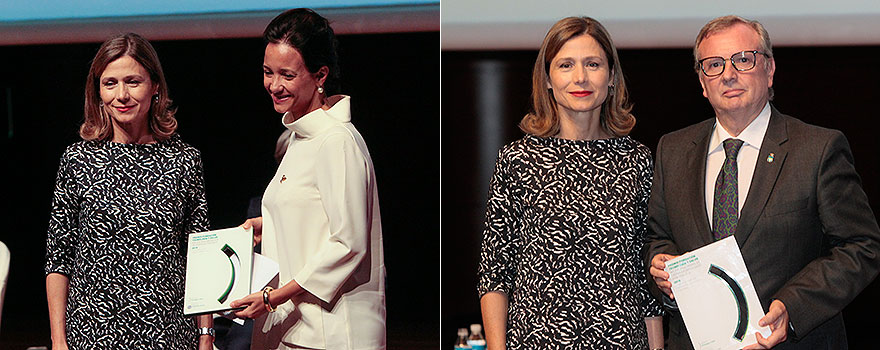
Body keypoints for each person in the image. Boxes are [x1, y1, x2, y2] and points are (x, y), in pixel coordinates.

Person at [645, 15, 880, 349]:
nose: (728, 75)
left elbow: (862, 246)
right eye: (713, 65)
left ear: (769, 70)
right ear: (702, 82)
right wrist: (662, 267)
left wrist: (793, 307)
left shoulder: (817, 149)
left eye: (743, 59)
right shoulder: (673, 149)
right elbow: (659, 238)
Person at [478, 16, 664, 350]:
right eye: (566, 65)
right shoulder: (517, 160)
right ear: (547, 79)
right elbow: (495, 270)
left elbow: (644, 275)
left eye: (593, 64)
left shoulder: (637, 160)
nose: (580, 77)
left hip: (620, 341)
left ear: (611, 78)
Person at [228, 8, 386, 350]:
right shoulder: (300, 137)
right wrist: (267, 225)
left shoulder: (336, 140)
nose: (274, 85)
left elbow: (347, 243)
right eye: (268, 72)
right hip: (296, 329)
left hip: (331, 334)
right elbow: (315, 218)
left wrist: (272, 298)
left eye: (287, 74)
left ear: (320, 75)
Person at [44, 33, 214, 349]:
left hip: (167, 332)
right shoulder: (78, 159)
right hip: (92, 332)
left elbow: (200, 255)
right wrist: (58, 340)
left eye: (132, 82)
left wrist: (206, 335)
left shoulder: (184, 161)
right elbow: (58, 258)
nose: (121, 95)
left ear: (155, 87)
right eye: (110, 84)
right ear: (97, 92)